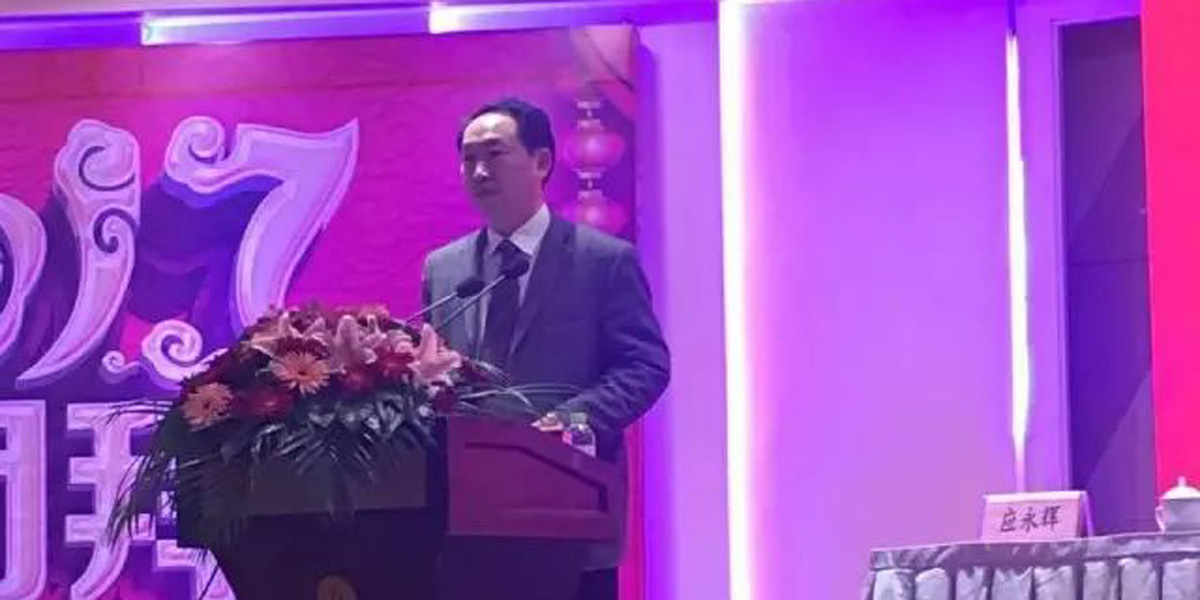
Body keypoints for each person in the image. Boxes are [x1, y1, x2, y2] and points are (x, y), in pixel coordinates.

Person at [421, 97, 670, 600]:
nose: (479, 170)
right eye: (468, 159)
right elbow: (436, 369)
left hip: (569, 512)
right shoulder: (444, 269)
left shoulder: (603, 261)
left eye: (495, 154)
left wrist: (572, 420)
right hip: (470, 524)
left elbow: (644, 365)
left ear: (541, 161)